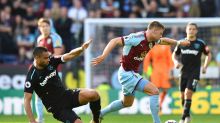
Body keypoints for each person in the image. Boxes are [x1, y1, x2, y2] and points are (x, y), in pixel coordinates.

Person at [92, 21, 190, 123]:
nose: (161, 36)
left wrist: (178, 43)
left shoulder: (153, 40)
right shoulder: (137, 38)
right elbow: (115, 41)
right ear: (154, 31)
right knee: (155, 91)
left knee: (126, 103)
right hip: (127, 73)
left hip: (129, 73)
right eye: (160, 33)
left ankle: (100, 114)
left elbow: (164, 41)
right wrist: (103, 56)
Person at [24, 40, 101, 123]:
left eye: (48, 57)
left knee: (94, 94)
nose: (48, 59)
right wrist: (32, 121)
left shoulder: (51, 61)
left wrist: (81, 48)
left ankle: (95, 121)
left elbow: (70, 55)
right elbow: (27, 100)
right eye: (45, 58)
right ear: (37, 58)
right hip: (56, 107)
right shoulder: (31, 76)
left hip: (65, 96)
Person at [172, 22, 211, 123]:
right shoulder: (181, 43)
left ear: (196, 31)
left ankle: (183, 118)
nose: (191, 31)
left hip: (194, 73)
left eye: (193, 29)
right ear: (186, 30)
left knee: (188, 92)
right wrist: (176, 62)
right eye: (189, 29)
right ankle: (188, 115)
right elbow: (174, 54)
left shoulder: (200, 43)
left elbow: (208, 55)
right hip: (183, 72)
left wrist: (205, 67)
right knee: (182, 96)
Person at [35, 18, 63, 123]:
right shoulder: (39, 39)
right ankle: (40, 119)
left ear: (50, 27)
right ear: (39, 28)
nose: (44, 28)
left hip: (54, 71)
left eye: (46, 26)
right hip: (42, 72)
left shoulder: (55, 37)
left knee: (59, 96)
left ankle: (70, 116)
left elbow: (57, 56)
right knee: (38, 95)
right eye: (42, 26)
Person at [143, 45, 174, 112]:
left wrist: (171, 72)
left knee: (165, 89)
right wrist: (145, 71)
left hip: (165, 71)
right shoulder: (152, 46)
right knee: (155, 89)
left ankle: (160, 105)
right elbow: (147, 59)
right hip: (155, 71)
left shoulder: (166, 46)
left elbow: (170, 58)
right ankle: (155, 105)